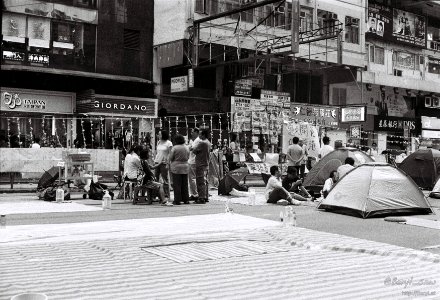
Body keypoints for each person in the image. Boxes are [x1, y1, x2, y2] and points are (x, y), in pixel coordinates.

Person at [169, 134, 190, 205]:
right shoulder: (186, 147)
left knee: (177, 184)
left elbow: (171, 157)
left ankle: (177, 200)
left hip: (176, 167)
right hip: (185, 166)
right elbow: (188, 156)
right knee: (185, 184)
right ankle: (186, 199)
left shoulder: (175, 148)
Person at [192, 129, 211, 204]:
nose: (199, 136)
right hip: (205, 163)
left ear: (203, 135)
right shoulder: (208, 142)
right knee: (205, 181)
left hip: (200, 163)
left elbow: (194, 150)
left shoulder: (202, 143)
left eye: (200, 134)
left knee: (200, 181)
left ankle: (201, 197)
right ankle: (205, 196)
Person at [153, 130, 173, 200]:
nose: (158, 135)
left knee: (165, 179)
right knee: (155, 179)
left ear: (163, 135)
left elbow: (170, 153)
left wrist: (168, 162)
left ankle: (166, 195)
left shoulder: (169, 143)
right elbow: (157, 152)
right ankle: (156, 195)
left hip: (164, 163)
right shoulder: (158, 142)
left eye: (159, 134)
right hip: (157, 162)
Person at [188, 128, 200, 201]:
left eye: (192, 132)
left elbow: (192, 149)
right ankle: (193, 193)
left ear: (196, 132)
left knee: (192, 179)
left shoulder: (197, 140)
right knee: (192, 179)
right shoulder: (194, 140)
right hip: (192, 160)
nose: (191, 133)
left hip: (193, 161)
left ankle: (195, 194)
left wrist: (190, 147)